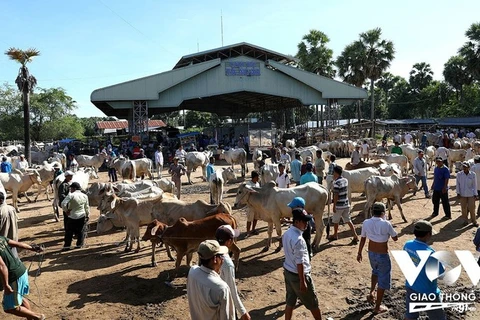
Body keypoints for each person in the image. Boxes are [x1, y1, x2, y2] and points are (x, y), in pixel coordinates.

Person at [357, 203, 398, 314]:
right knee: (383, 279)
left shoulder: (366, 222)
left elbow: (363, 239)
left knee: (375, 272)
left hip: (371, 253)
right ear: (383, 212)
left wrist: (359, 252)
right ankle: (377, 307)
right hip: (382, 254)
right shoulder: (386, 224)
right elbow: (395, 238)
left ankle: (371, 292)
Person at [282, 208, 323, 320]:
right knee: (313, 303)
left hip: (288, 272)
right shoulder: (299, 239)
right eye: (304, 221)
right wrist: (302, 281)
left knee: (290, 301)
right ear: (297, 222)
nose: (306, 224)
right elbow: (299, 262)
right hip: (298, 275)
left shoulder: (287, 234)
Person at [403, 220, 446, 320]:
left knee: (410, 316)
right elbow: (440, 276)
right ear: (428, 234)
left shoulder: (407, 245)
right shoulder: (430, 253)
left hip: (411, 286)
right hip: (427, 292)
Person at [187, 240, 235, 319]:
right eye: (222, 256)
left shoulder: (192, 272)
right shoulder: (221, 288)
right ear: (215, 259)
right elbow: (227, 317)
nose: (223, 260)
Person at [0, 236, 45, 320]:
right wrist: (33, 248)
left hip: (14, 276)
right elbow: (19, 244)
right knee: (20, 299)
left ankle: (38, 317)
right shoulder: (1, 238)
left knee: (10, 307)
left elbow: (2, 266)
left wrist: (6, 285)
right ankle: (31, 318)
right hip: (21, 270)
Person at [215, 226, 251, 320]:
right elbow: (231, 290)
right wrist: (243, 312)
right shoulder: (227, 263)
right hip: (223, 303)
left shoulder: (209, 253)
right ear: (229, 242)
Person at [328, 165, 359, 243]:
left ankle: (335, 235)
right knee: (348, 220)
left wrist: (334, 205)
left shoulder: (336, 183)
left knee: (335, 221)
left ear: (336, 173)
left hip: (339, 205)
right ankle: (355, 235)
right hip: (346, 203)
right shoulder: (345, 180)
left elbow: (336, 195)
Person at [61, 181, 89, 250]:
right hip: (82, 215)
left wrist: (66, 210)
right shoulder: (85, 196)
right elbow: (87, 207)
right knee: (81, 231)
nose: (70, 190)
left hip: (72, 216)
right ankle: (79, 245)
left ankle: (67, 246)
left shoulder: (71, 195)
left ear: (74, 188)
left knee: (69, 232)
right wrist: (87, 215)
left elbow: (63, 204)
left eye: (71, 188)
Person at [456, 161, 478, 227]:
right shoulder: (459, 174)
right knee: (464, 208)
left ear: (469, 167)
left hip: (471, 194)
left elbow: (474, 185)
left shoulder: (473, 174)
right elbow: (458, 184)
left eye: (466, 167)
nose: (464, 168)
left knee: (472, 208)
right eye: (463, 167)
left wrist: (475, 194)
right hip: (462, 194)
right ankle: (465, 221)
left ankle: (474, 221)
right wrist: (458, 193)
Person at [245, 171, 260, 236]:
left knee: (255, 218)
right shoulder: (248, 184)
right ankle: (248, 232)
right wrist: (255, 192)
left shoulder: (257, 184)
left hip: (256, 205)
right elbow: (249, 190)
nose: (258, 178)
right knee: (250, 219)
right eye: (257, 177)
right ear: (254, 177)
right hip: (250, 205)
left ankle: (253, 229)